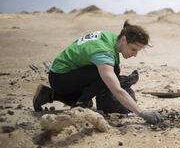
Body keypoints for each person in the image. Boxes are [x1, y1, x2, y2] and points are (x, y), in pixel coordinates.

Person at [32, 20, 164, 125]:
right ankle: (79, 106)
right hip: (61, 78)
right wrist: (142, 113)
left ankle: (49, 95)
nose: (134, 55)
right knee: (111, 74)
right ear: (123, 39)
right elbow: (117, 90)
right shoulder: (104, 52)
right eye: (133, 49)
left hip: (63, 73)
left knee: (101, 84)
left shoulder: (111, 38)